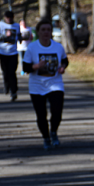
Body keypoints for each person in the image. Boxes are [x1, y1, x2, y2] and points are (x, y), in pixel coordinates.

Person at [23, 19, 68, 150]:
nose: (46, 32)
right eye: (43, 30)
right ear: (38, 32)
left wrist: (63, 67)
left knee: (57, 112)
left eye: (48, 30)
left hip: (55, 83)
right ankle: (46, 137)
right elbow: (25, 67)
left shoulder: (58, 47)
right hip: (37, 85)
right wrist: (36, 66)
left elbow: (65, 61)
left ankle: (53, 131)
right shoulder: (32, 47)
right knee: (41, 115)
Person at [0, 10, 21, 101]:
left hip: (13, 53)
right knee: (5, 72)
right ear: (5, 18)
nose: (9, 20)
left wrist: (22, 37)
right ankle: (7, 86)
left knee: (12, 72)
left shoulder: (17, 25)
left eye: (10, 18)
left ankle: (14, 92)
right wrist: (5, 35)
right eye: (7, 18)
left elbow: (19, 36)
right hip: (3, 53)